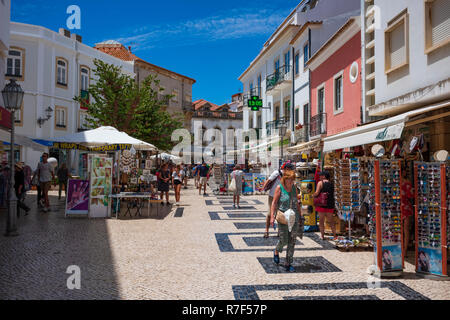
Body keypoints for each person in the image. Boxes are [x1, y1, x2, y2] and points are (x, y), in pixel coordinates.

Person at [270, 169, 302, 272]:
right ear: (285, 179)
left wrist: (300, 215)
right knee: (284, 240)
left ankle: (288, 262)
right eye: (290, 180)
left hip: (294, 217)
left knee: (292, 241)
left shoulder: (294, 188)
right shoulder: (279, 188)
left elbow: (296, 202)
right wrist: (272, 217)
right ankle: (276, 250)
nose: (292, 182)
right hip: (283, 217)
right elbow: (274, 203)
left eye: (293, 180)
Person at [262, 162, 295, 238]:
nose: (292, 171)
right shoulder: (277, 172)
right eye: (291, 169)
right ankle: (266, 230)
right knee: (270, 214)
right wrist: (263, 188)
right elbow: (269, 180)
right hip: (272, 195)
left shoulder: (289, 175)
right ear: (286, 169)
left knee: (280, 213)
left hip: (282, 196)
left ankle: (279, 231)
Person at [313, 171, 337, 240]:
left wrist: (312, 195)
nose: (319, 177)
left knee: (321, 221)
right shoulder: (331, 184)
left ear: (324, 176)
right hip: (330, 204)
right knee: (331, 221)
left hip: (321, 204)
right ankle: (335, 235)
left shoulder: (320, 183)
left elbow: (317, 192)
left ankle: (322, 236)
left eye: (321, 175)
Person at [400, 169, 414, 257]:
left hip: (396, 207)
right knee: (406, 230)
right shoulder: (407, 182)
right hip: (405, 207)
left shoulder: (394, 181)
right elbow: (410, 195)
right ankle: (405, 251)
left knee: (398, 230)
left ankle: (399, 249)